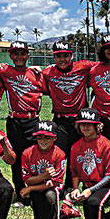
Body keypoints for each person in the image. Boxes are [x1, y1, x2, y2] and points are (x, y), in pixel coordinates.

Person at [0, 41, 44, 208]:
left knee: (35, 158)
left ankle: (36, 192)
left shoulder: (36, 74)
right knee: (17, 159)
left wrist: (39, 69)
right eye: (15, 53)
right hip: (15, 121)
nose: (19, 57)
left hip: (33, 120)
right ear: (11, 55)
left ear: (28, 55)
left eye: (23, 53)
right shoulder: (5, 70)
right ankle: (22, 195)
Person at [40, 40, 95, 194]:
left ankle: (72, 186)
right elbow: (33, 73)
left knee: (77, 154)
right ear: (54, 57)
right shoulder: (48, 72)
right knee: (57, 154)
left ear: (71, 56)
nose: (62, 59)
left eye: (65, 56)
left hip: (79, 120)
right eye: (58, 56)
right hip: (60, 120)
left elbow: (105, 65)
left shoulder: (82, 67)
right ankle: (55, 185)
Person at [70, 108, 110, 219]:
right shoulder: (76, 146)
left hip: (103, 185)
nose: (85, 127)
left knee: (94, 203)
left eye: (89, 124)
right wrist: (75, 188)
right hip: (86, 186)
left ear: (97, 126)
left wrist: (90, 191)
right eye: (82, 124)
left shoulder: (106, 144)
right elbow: (74, 172)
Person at [20, 120, 67, 219]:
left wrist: (30, 189)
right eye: (39, 137)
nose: (43, 140)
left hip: (51, 190)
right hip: (37, 189)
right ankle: (66, 212)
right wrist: (44, 176)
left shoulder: (59, 154)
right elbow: (27, 179)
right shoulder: (27, 153)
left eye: (47, 137)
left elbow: (56, 183)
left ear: (54, 138)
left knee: (51, 196)